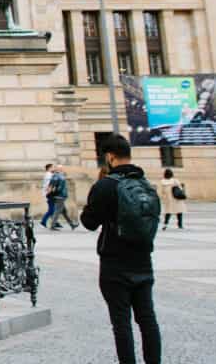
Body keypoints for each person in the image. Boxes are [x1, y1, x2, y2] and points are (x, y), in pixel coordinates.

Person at [81, 134, 162, 364]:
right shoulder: (146, 184)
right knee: (147, 319)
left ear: (109, 156)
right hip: (144, 261)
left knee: (121, 323)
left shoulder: (106, 185)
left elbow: (88, 222)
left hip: (115, 263)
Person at [41, 164, 77, 230]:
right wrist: (48, 194)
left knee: (64, 212)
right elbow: (51, 186)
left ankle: (72, 224)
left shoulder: (60, 175)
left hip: (62, 196)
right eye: (61, 168)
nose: (62, 169)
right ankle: (52, 225)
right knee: (57, 211)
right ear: (59, 169)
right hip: (59, 196)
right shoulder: (56, 176)